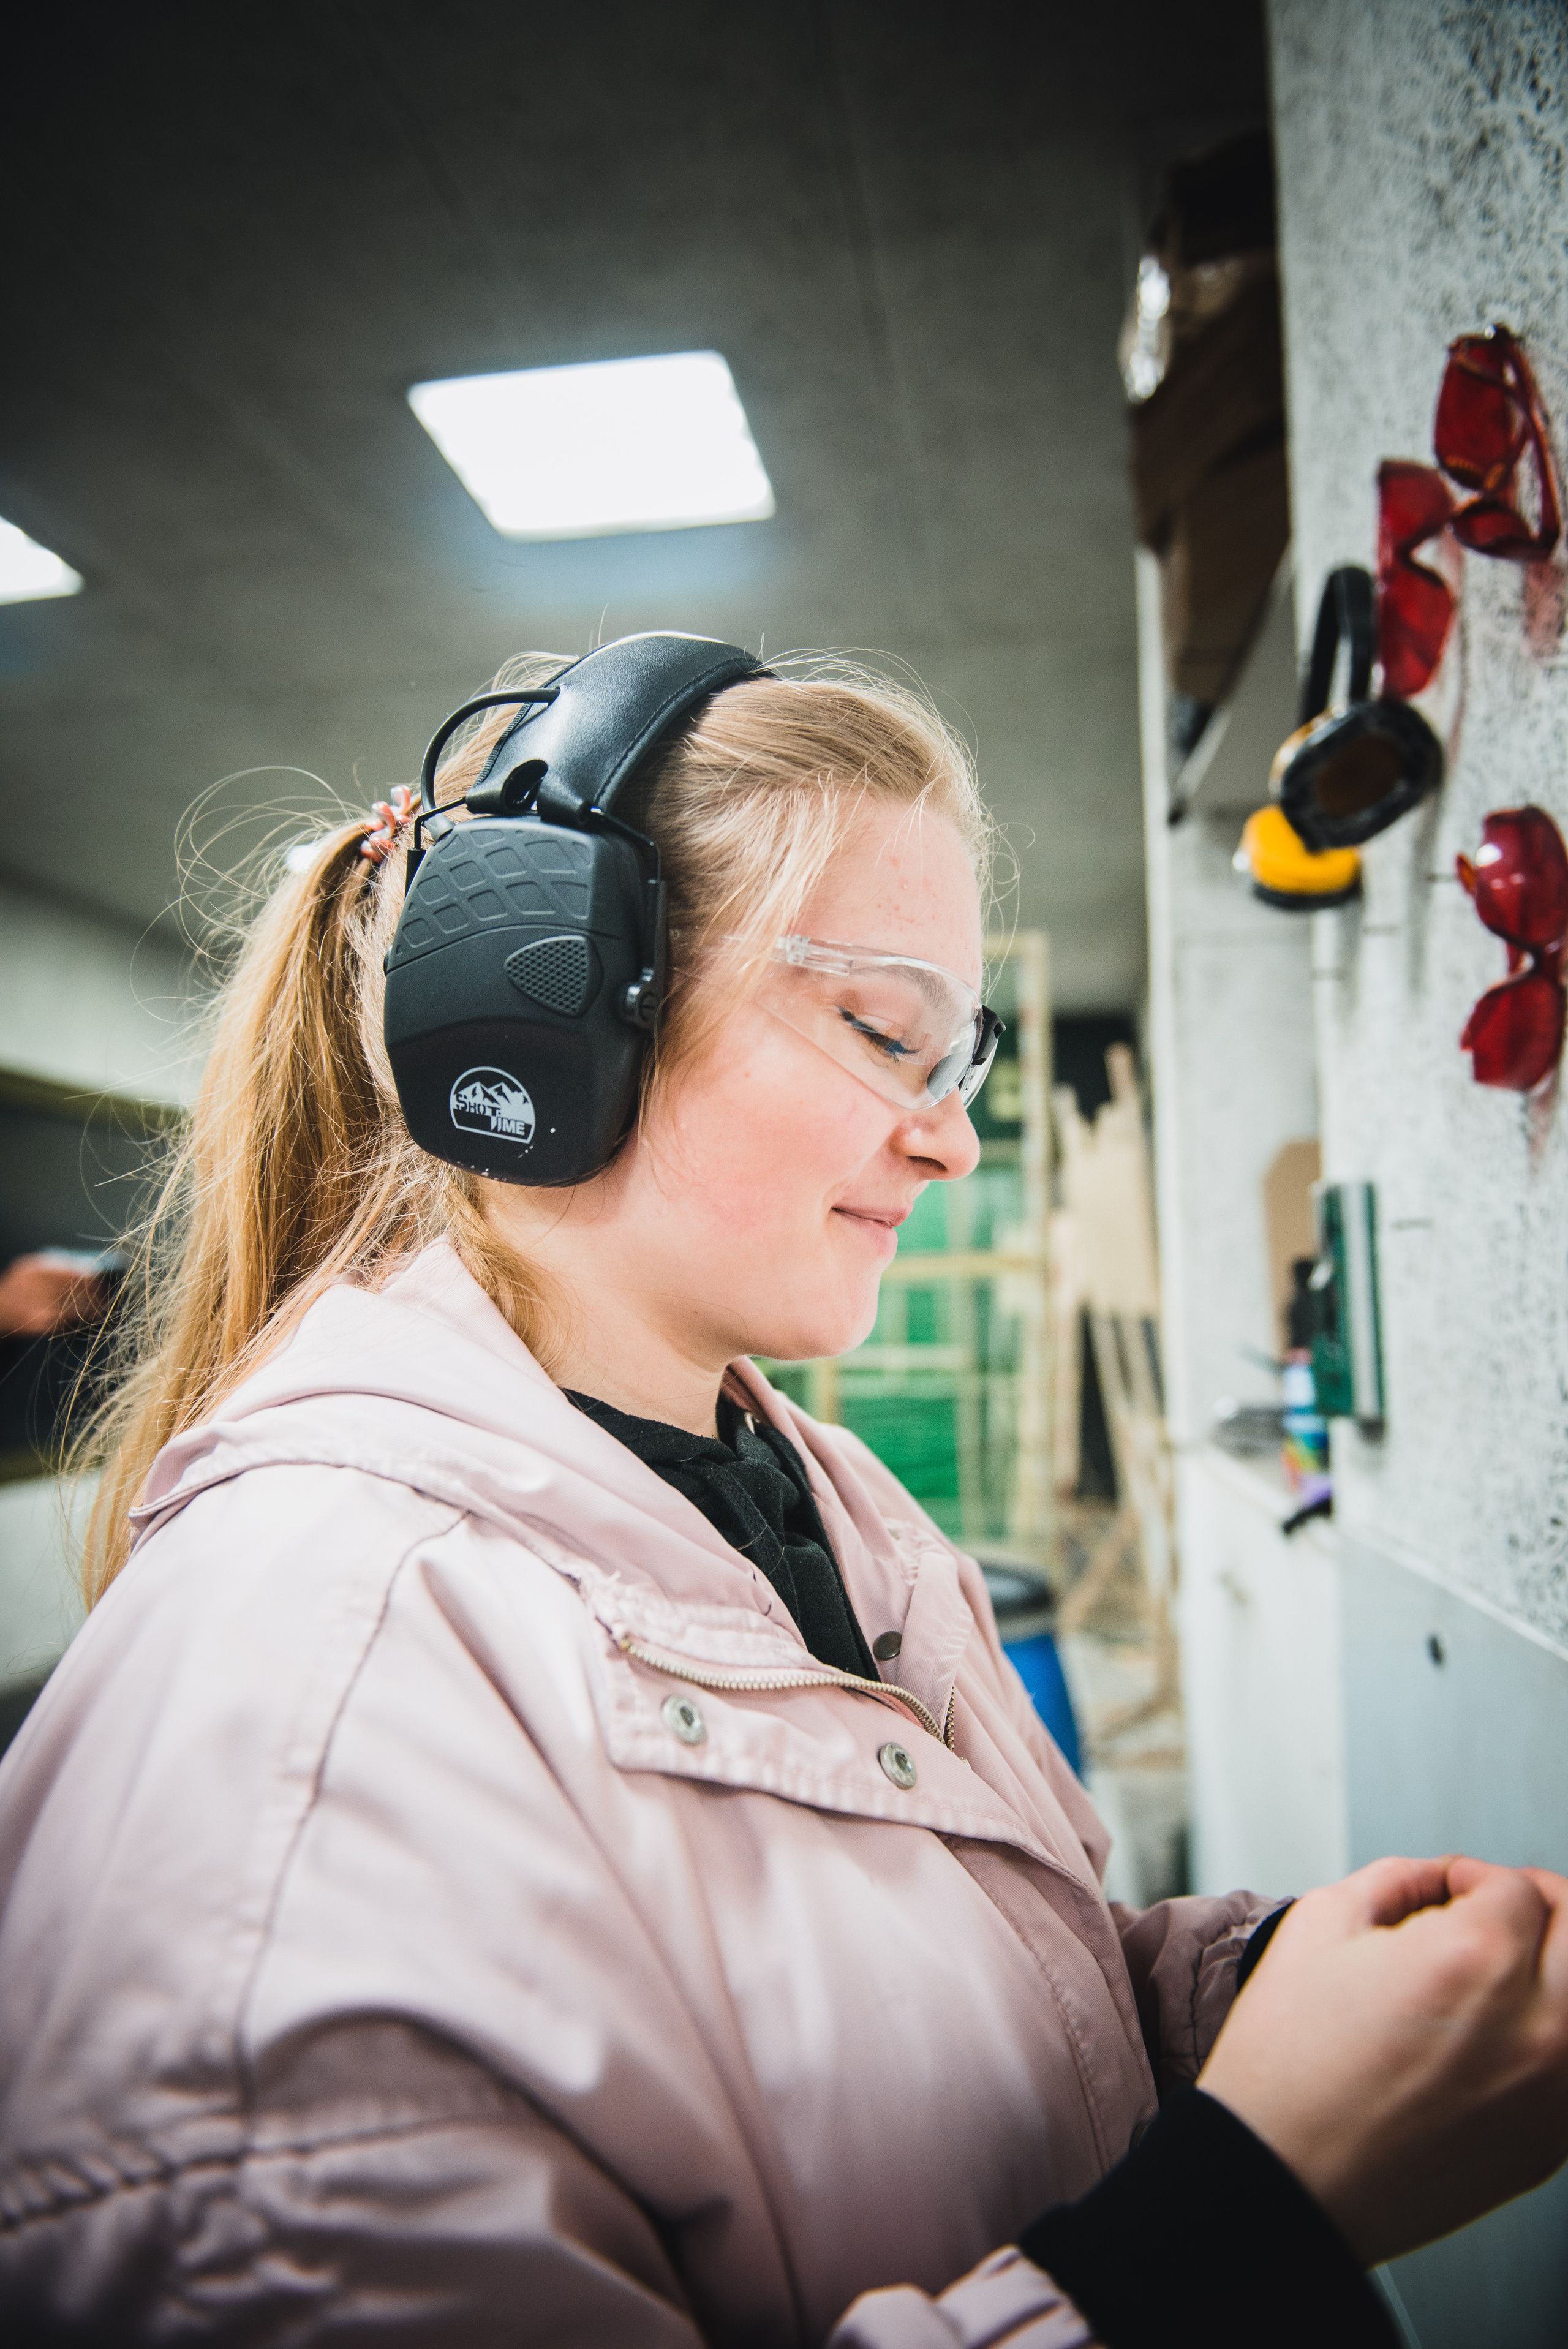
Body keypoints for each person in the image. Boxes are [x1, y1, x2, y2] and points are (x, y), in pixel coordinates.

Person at [0, 643, 1565, 2348]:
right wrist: (1245, 2212)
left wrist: (1247, 2008)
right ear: (546, 1005)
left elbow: (936, 2008)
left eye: (955, 1060)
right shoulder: (302, 1703)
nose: (952, 1139)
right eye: (885, 1033)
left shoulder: (810, 1493)